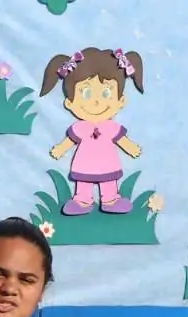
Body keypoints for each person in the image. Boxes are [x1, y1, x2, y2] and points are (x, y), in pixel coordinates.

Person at [42, 46, 145, 215]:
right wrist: (60, 149)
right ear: (69, 103)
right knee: (83, 182)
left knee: (110, 181)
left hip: (107, 161)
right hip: (85, 163)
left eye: (106, 93)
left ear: (121, 101)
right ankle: (82, 201)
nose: (97, 102)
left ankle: (110, 200)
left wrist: (131, 147)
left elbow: (121, 139)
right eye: (87, 93)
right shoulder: (80, 127)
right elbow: (71, 140)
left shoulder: (111, 126)